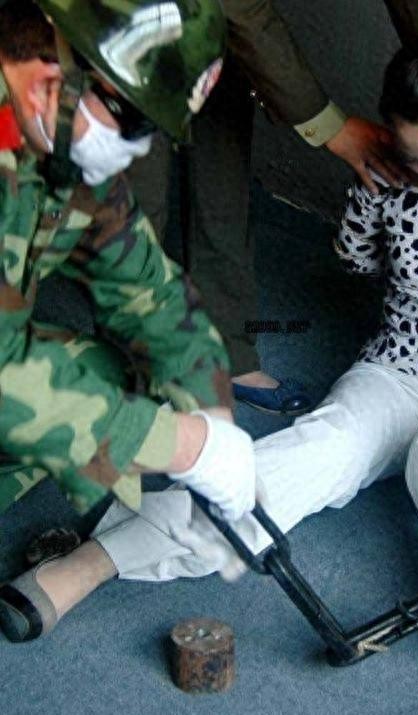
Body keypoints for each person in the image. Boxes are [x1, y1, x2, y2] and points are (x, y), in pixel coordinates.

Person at [3, 10, 418, 714]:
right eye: (417, 161)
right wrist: (193, 444)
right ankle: (93, 559)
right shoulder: (391, 175)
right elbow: (356, 256)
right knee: (318, 444)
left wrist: (201, 405)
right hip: (396, 370)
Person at [0, 0, 259, 637]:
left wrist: (210, 414)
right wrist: (181, 445)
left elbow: (149, 290)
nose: (136, 146)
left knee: (109, 374)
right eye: (132, 118)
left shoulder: (56, 131)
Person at [128, 0, 418, 415]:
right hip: (127, 23)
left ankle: (224, 354)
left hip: (213, 26)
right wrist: (332, 128)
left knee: (223, 176)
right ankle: (129, 387)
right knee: (137, 202)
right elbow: (244, 11)